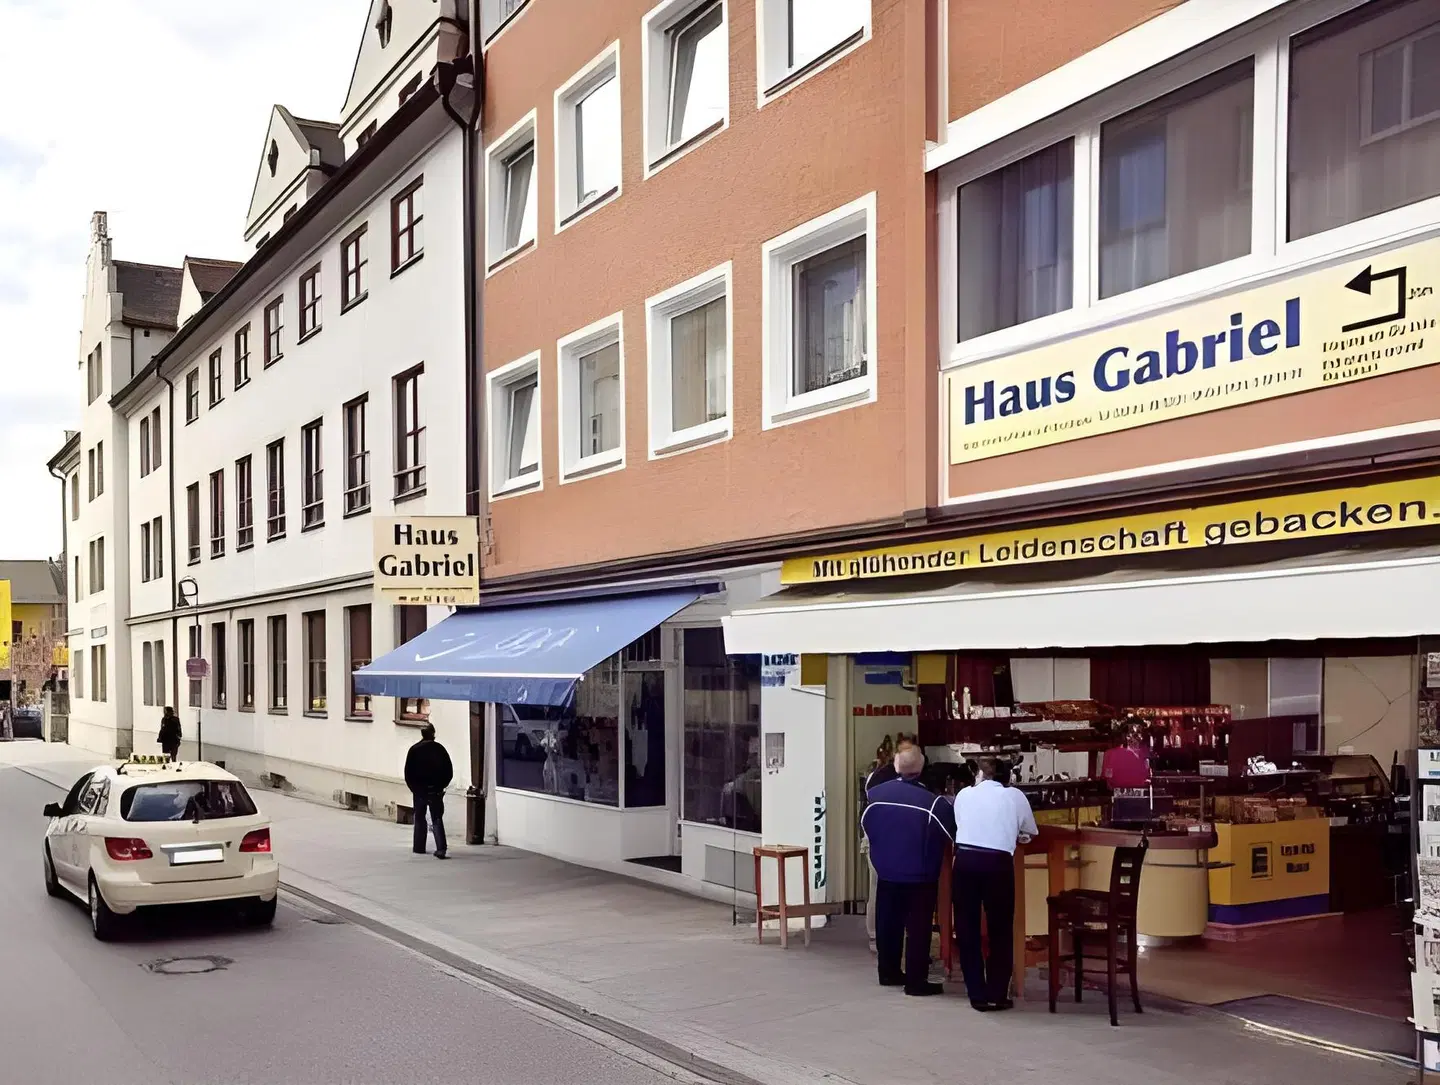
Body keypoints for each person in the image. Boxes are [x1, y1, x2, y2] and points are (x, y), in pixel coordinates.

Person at [860, 746, 955, 997]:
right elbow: (952, 832)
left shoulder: (875, 795)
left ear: (896, 766)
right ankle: (915, 981)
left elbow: (866, 824)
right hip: (920, 873)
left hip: (886, 869)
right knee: (918, 927)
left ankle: (888, 972)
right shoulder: (933, 803)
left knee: (888, 921)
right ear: (921, 769)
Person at [952, 756, 1038, 1012]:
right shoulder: (1015, 796)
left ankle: (976, 993)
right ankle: (997, 993)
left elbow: (961, 824)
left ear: (979, 775)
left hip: (965, 860)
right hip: (998, 862)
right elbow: (1029, 832)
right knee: (1000, 928)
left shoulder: (963, 795)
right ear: (1007, 777)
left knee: (967, 928)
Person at [404, 723, 454, 858]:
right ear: (433, 733)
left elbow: (408, 773)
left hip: (419, 789)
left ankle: (419, 846)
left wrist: (414, 789)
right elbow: (448, 771)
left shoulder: (414, 750)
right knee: (437, 818)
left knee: (420, 817)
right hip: (435, 789)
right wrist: (442, 786)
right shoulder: (439, 749)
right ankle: (441, 848)